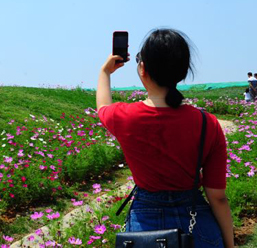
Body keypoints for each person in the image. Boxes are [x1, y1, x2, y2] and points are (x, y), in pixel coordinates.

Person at [97, 28, 234, 248]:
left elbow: (103, 106)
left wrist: (105, 72)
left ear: (143, 69)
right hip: (198, 224)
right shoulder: (208, 123)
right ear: (182, 72)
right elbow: (217, 196)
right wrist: (230, 244)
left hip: (145, 225)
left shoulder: (124, 116)